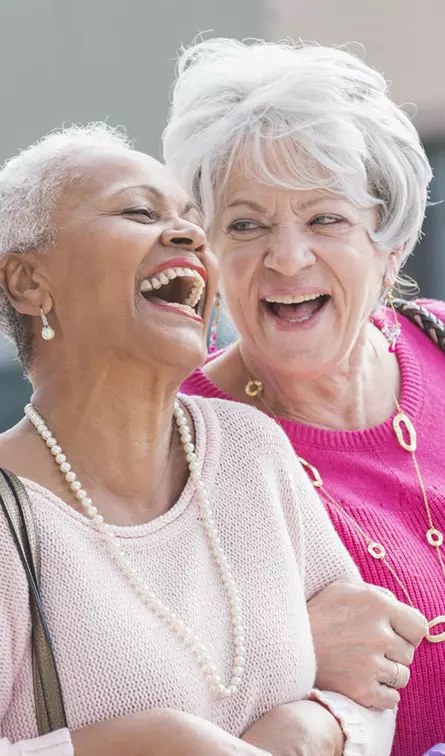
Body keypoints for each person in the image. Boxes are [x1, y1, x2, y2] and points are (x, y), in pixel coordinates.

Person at [0, 124, 397, 756]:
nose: (188, 236)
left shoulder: (251, 452)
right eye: (138, 211)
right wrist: (139, 744)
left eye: (192, 220)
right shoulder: (8, 520)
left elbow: (369, 681)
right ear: (28, 281)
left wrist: (317, 725)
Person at [162, 38, 445, 755]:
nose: (286, 258)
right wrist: (285, 650)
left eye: (325, 220)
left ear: (391, 243)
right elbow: (129, 687)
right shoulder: (182, 435)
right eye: (246, 225)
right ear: (208, 251)